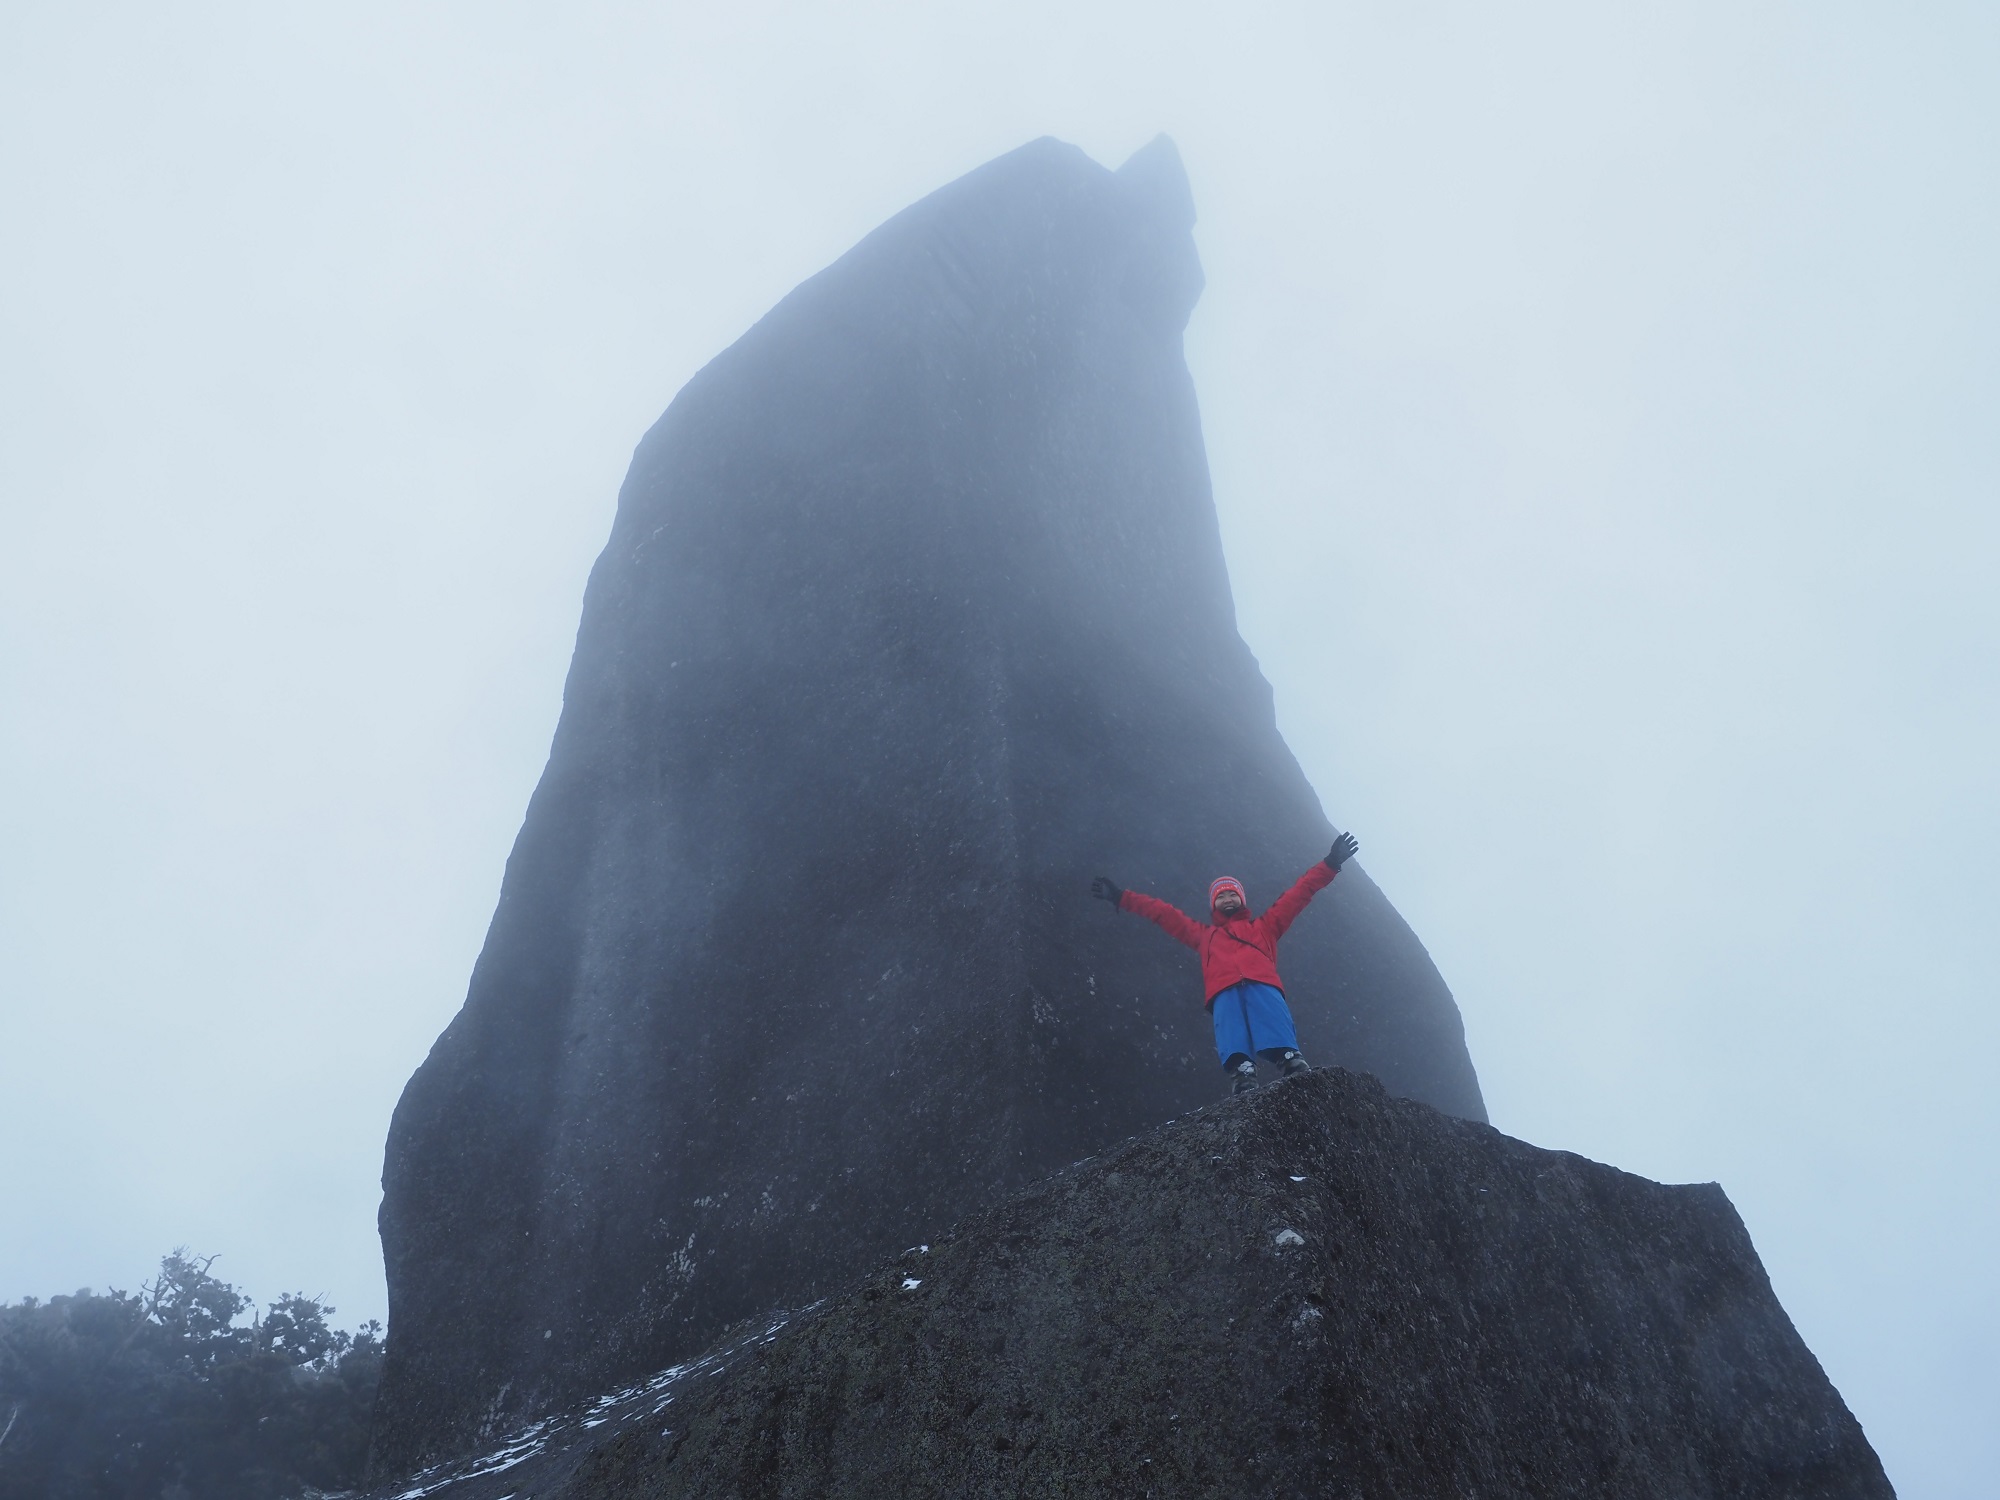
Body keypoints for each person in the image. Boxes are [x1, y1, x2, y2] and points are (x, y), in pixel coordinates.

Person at [1091, 833, 1360, 1096]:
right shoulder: (1203, 936)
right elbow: (1163, 914)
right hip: (1223, 990)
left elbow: (1299, 894)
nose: (1228, 899)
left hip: (1261, 982)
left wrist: (1330, 864)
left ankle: (1289, 1057)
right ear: (1213, 904)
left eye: (1232, 894)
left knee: (1272, 1015)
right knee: (1230, 1029)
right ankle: (1242, 1073)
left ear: (1242, 899)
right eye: (1221, 896)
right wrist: (1121, 897)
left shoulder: (1265, 927)